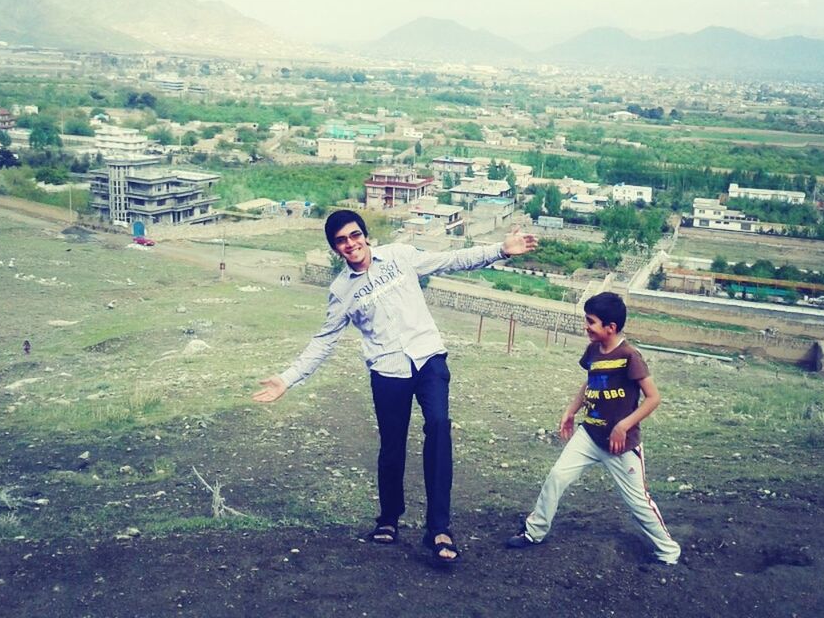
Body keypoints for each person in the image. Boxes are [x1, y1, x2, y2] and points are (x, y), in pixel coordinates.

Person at [253, 209, 538, 564]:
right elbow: (323, 341)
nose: (350, 244)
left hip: (428, 358)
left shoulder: (400, 256)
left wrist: (501, 250)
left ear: (366, 235)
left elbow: (450, 259)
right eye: (341, 241)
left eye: (355, 235)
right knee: (392, 446)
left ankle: (439, 529)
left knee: (438, 428)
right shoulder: (341, 291)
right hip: (388, 371)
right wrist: (287, 378)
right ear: (335, 248)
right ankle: (388, 519)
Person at [505, 292, 681, 565]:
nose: (586, 326)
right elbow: (590, 383)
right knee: (557, 477)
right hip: (589, 434)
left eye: (591, 322)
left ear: (610, 327)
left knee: (638, 503)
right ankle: (533, 531)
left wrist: (623, 426)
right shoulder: (593, 351)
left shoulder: (630, 356)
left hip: (621, 445)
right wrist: (570, 411)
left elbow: (653, 398)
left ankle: (669, 551)